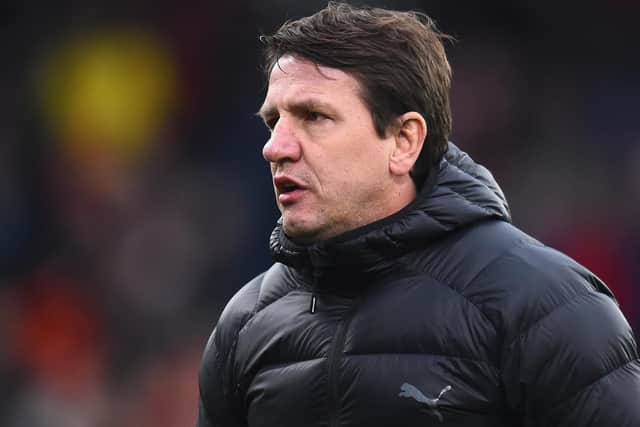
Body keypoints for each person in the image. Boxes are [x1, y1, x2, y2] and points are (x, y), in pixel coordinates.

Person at [196, 2, 640, 426]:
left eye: (314, 116)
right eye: (274, 121)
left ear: (405, 141)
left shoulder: (545, 307)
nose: (275, 147)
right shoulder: (244, 326)